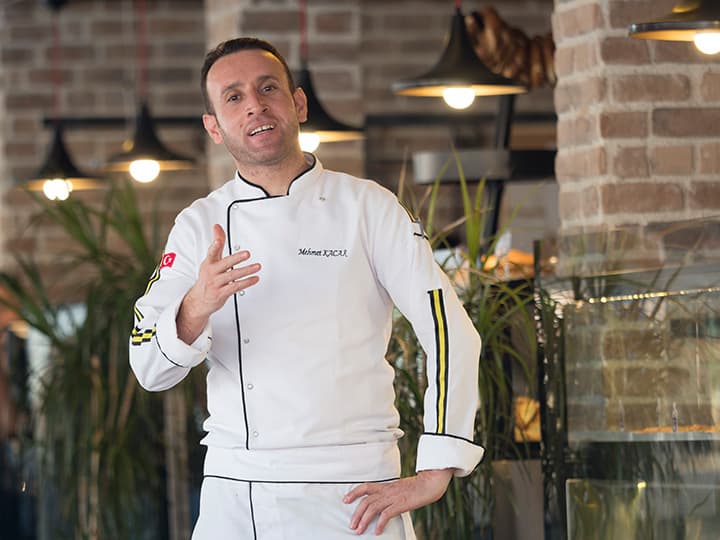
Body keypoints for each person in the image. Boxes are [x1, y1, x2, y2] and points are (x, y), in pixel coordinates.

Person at [129, 37, 483, 539]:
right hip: (239, 496)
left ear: (298, 103)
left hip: (356, 494)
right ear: (214, 127)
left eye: (268, 88)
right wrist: (197, 305)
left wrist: (437, 467)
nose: (255, 105)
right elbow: (148, 366)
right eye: (234, 97)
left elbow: (450, 331)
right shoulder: (197, 226)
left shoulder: (369, 208)